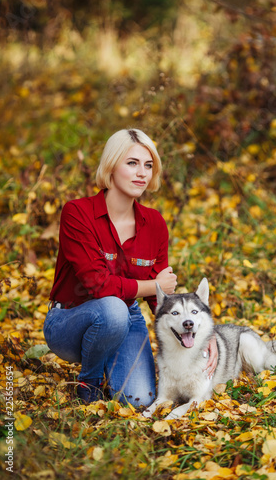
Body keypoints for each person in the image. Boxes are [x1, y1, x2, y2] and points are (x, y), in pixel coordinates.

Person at [43, 128, 217, 408]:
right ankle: (89, 382)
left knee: (139, 399)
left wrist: (199, 333)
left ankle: (108, 364)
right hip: (70, 319)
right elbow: (97, 284)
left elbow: (158, 298)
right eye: (132, 163)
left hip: (127, 315)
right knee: (112, 309)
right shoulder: (77, 213)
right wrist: (152, 285)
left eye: (148, 166)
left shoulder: (155, 223)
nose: (142, 174)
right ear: (111, 165)